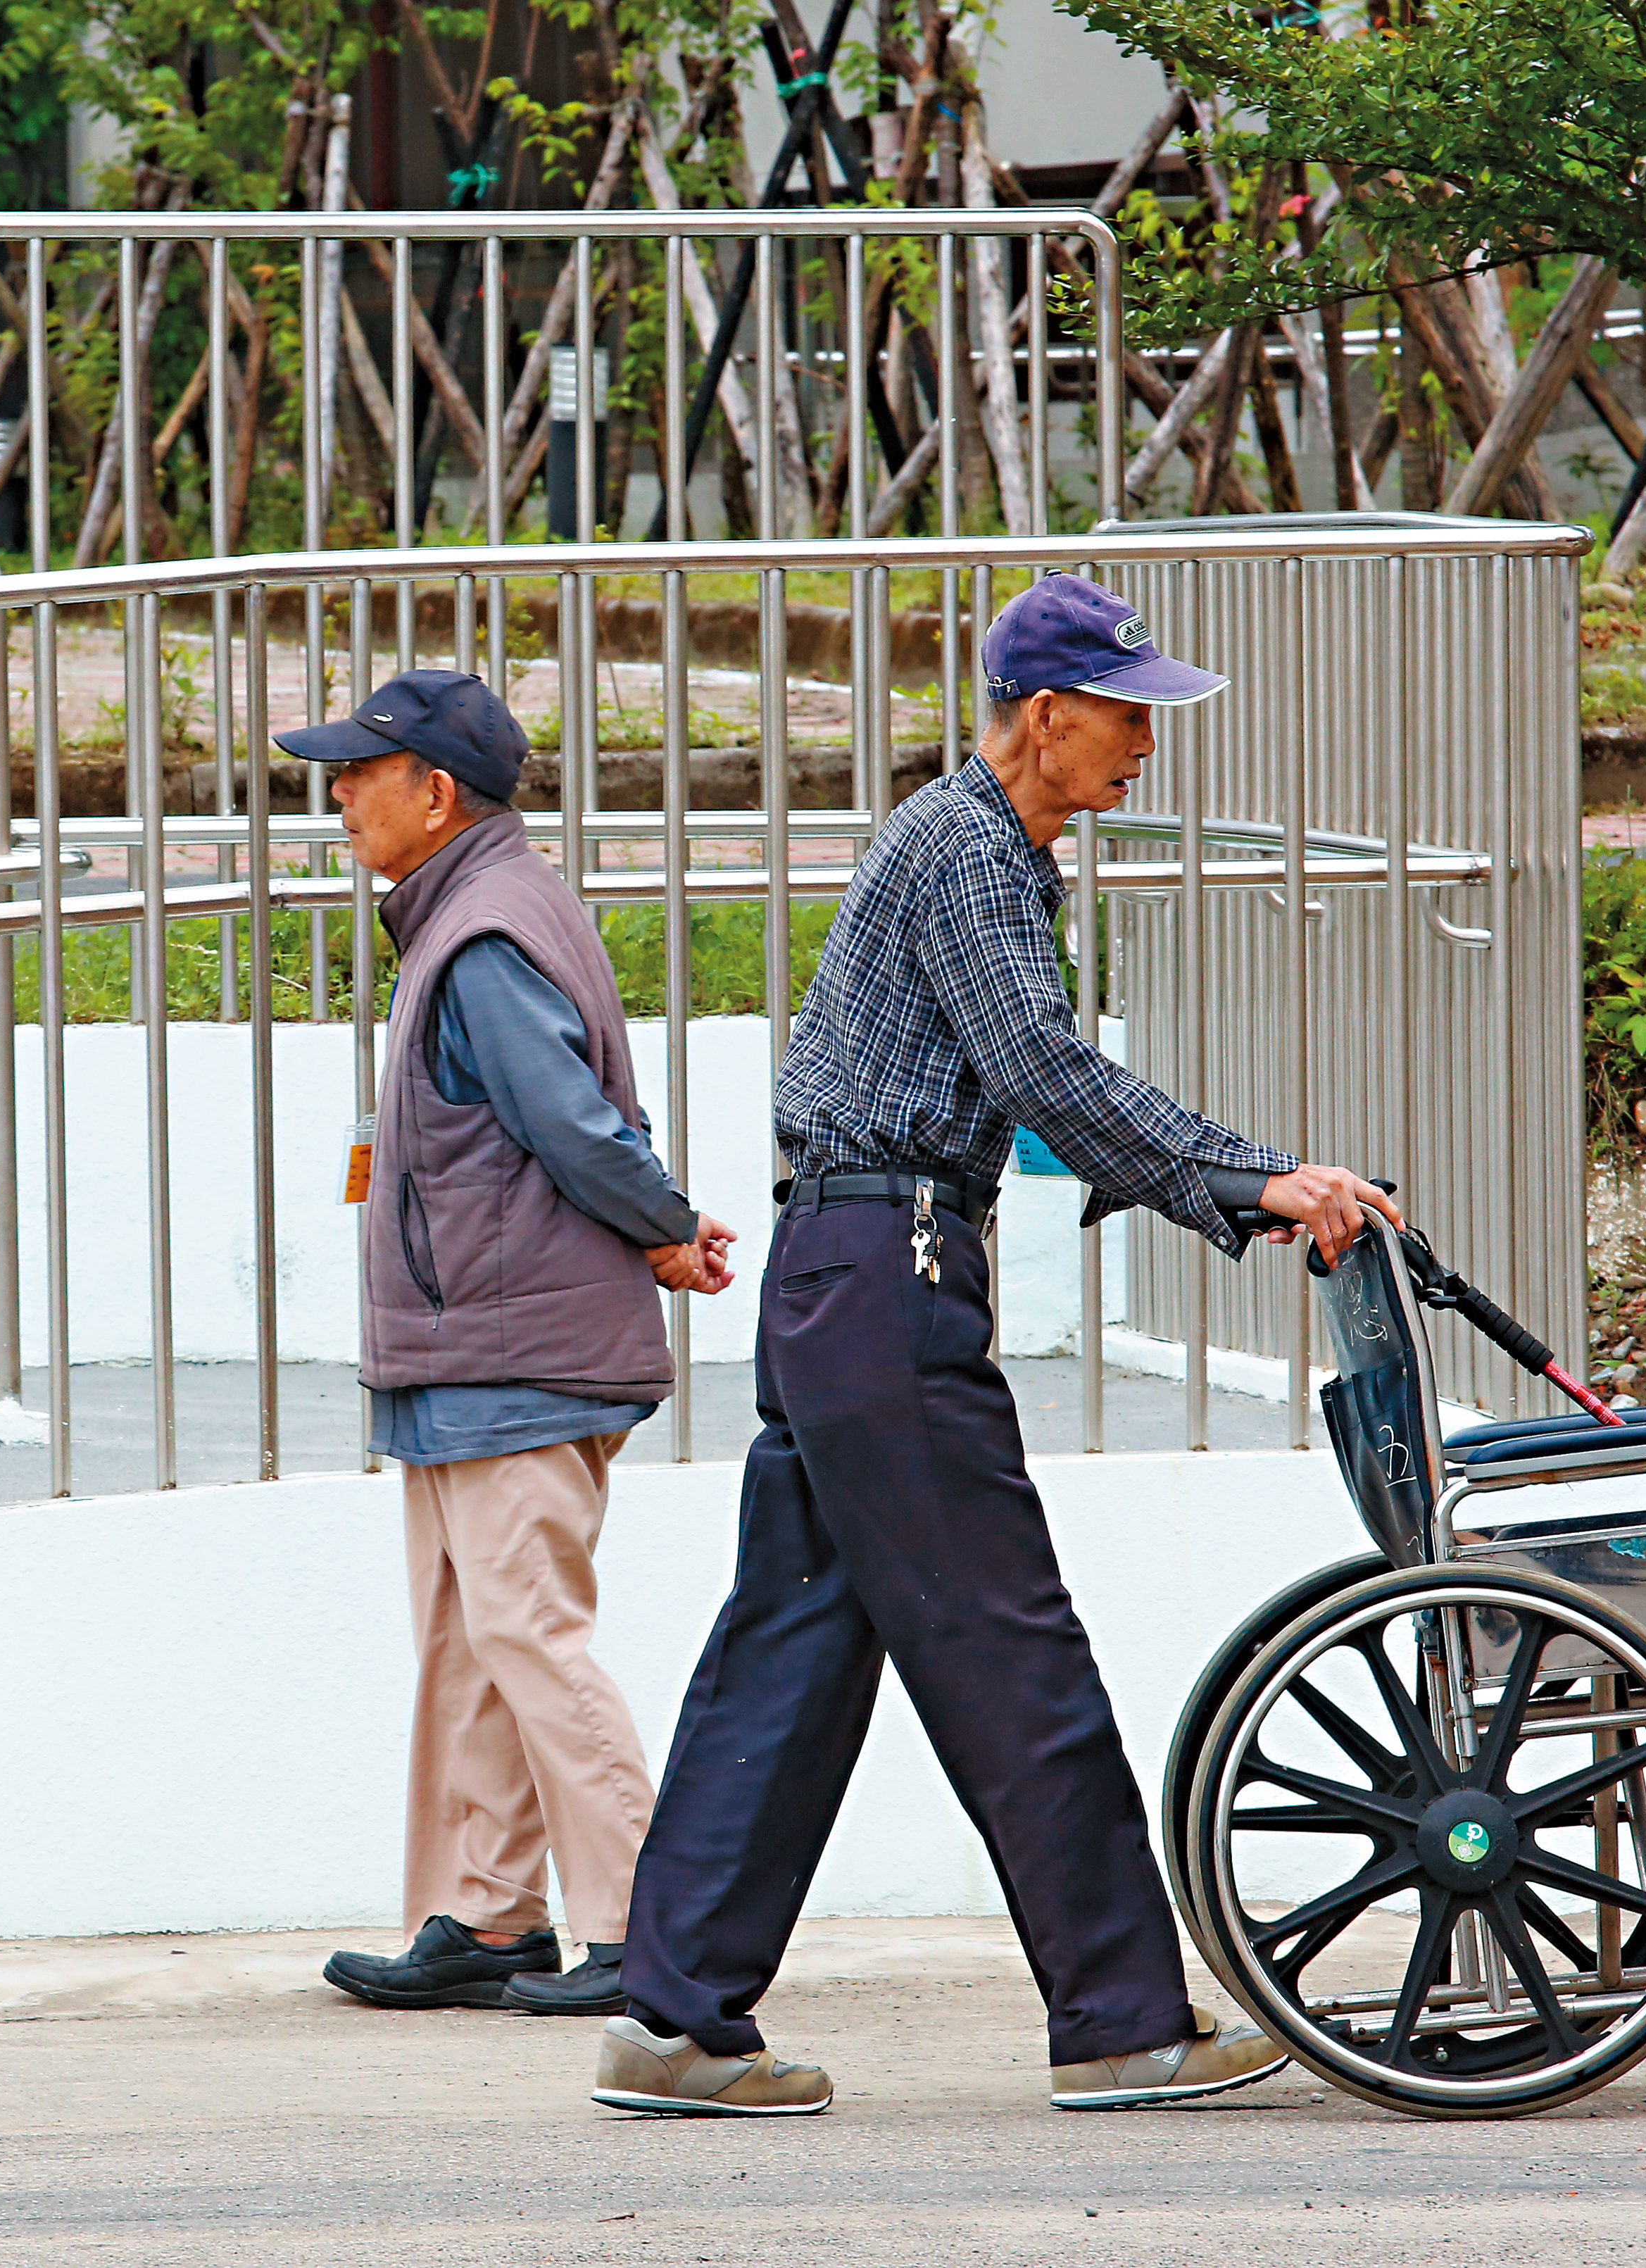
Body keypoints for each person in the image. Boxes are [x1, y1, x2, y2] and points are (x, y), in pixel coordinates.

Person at [589, 574, 1402, 2117]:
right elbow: (1037, 1065)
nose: (1146, 743)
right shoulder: (971, 846)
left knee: (790, 1652)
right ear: (1044, 715)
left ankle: (675, 2020)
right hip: (883, 1279)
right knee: (1011, 1652)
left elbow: (1023, 1078)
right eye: (1126, 714)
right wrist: (1248, 1180)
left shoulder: (970, 842)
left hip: (842, 1273)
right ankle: (1118, 2019)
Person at [287, 670, 739, 2020]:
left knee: (529, 1634)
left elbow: (571, 1123)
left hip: (515, 1350)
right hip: (471, 1349)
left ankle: (646, 1924)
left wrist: (665, 1225)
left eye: (359, 775)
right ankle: (485, 1916)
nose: (336, 795)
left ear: (436, 793)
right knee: (470, 1639)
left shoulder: (481, 934)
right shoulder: (471, 915)